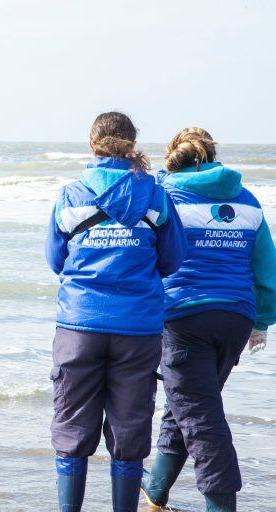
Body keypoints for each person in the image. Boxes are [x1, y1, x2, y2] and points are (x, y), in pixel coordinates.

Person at [45, 112, 186, 512]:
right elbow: (173, 258)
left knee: (72, 428)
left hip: (79, 325)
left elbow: (56, 260)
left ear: (93, 144)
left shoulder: (72, 194)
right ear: (132, 143)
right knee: (129, 430)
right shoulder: (156, 194)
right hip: (137, 329)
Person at [141, 128, 276, 512]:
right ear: (212, 156)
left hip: (184, 318)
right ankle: (156, 491)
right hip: (235, 318)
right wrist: (261, 321)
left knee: (201, 420)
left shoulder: (165, 196)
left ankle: (221, 505)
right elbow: (266, 265)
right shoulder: (248, 200)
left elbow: (146, 255)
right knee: (188, 405)